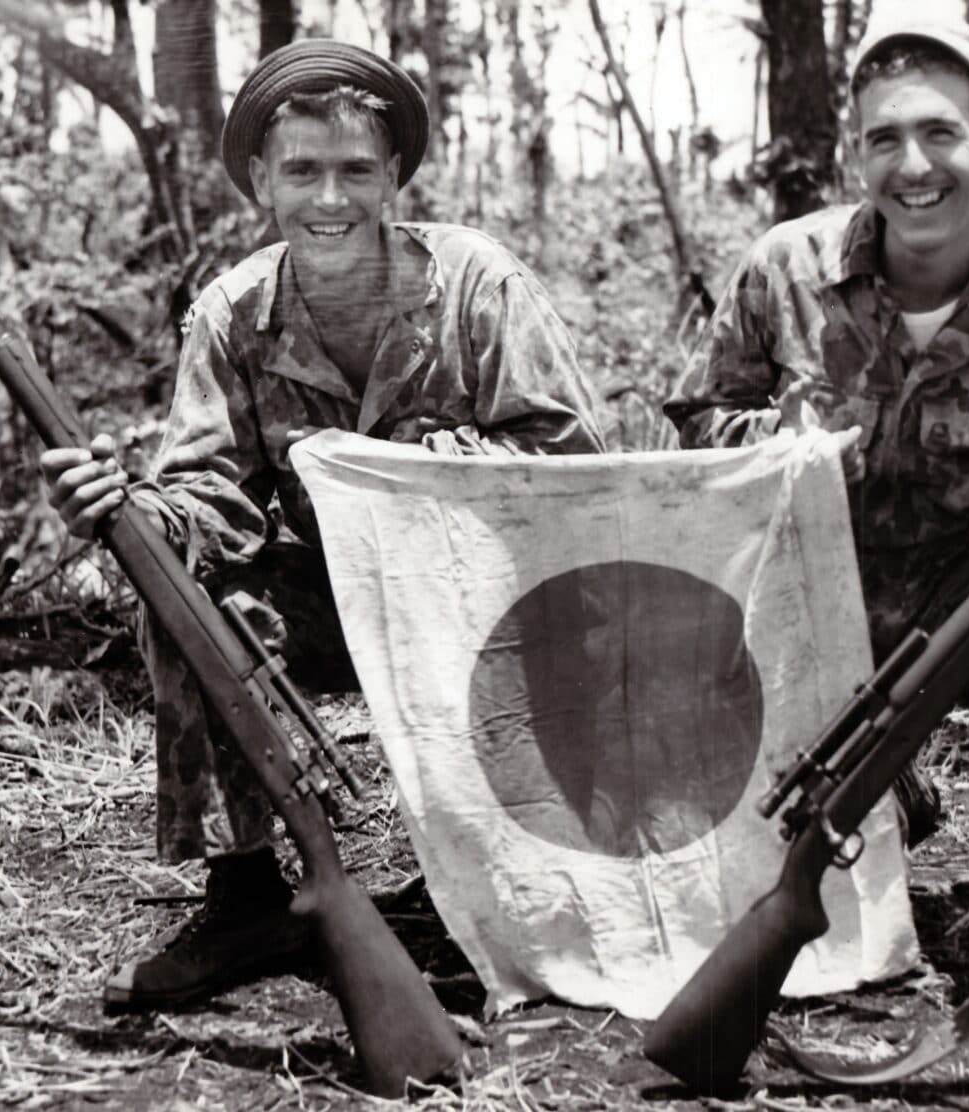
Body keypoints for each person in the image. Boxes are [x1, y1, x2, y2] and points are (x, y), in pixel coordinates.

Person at [41, 40, 605, 1014]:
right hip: (335, 602)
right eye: (302, 170)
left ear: (395, 177)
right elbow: (206, 510)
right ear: (262, 179)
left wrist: (422, 476)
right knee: (186, 605)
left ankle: (510, 870)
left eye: (354, 170)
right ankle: (251, 890)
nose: (328, 197)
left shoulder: (474, 284)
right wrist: (120, 508)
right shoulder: (231, 315)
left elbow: (578, 469)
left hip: (485, 597)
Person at [665, 13, 969, 1090]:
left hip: (963, 615)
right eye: (884, 138)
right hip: (793, 606)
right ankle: (855, 815)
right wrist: (776, 451)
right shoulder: (779, 267)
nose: (913, 166)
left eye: (940, 133)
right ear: (852, 150)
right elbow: (694, 435)